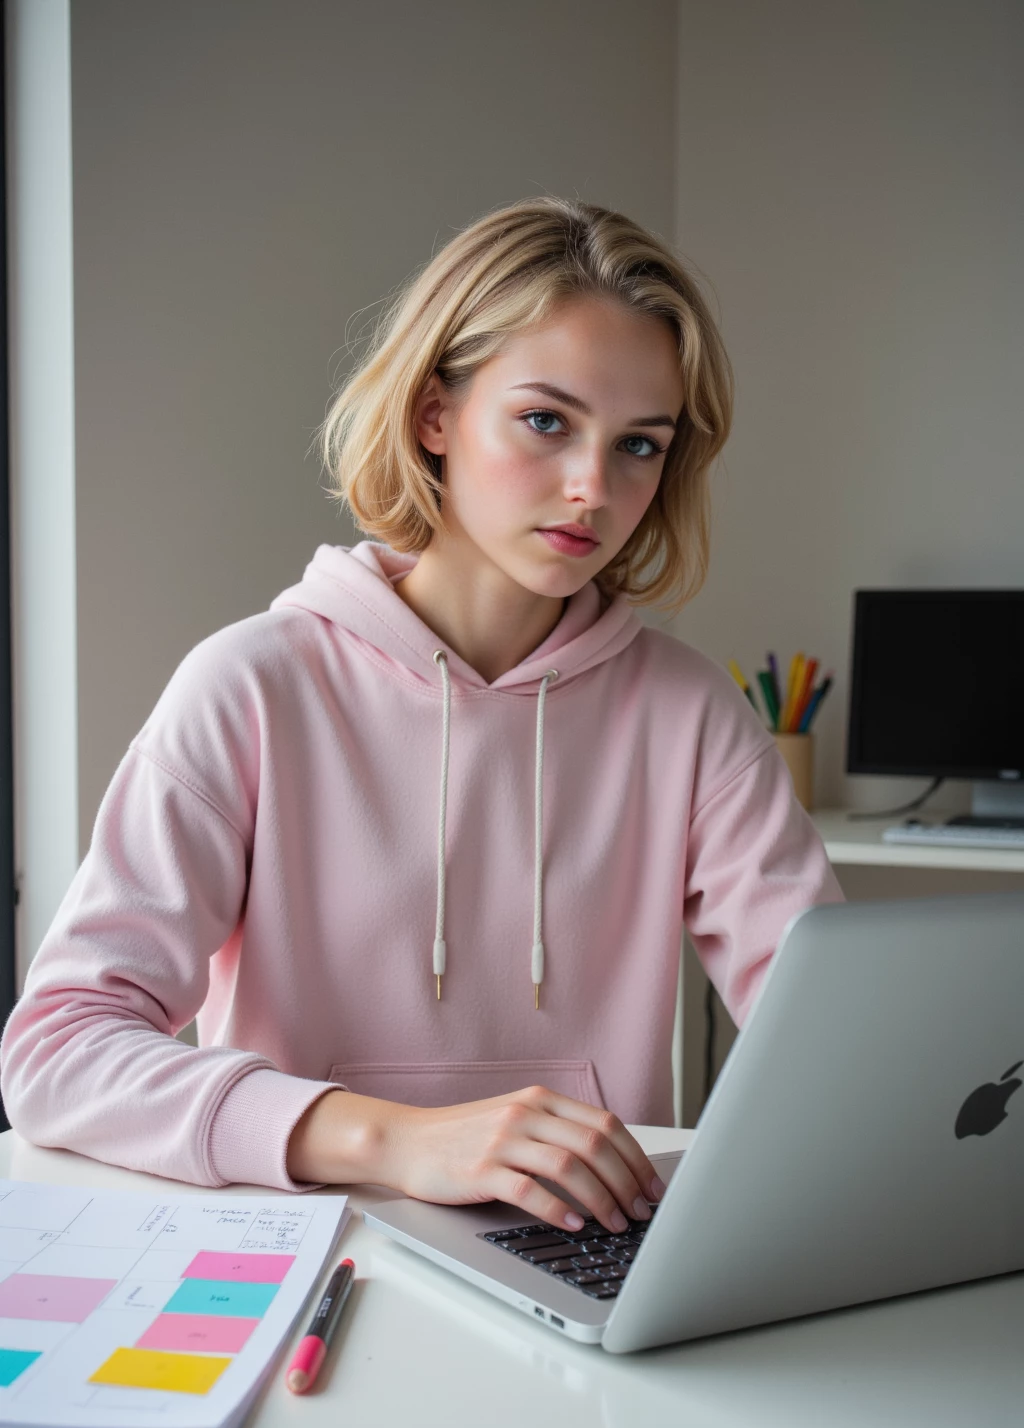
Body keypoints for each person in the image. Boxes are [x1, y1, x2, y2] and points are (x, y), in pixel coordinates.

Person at [0, 197, 843, 1236]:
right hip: (309, 1249)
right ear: (434, 416)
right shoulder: (249, 686)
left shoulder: (688, 713)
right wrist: (396, 1137)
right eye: (545, 421)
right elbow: (57, 1047)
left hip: (580, 1254)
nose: (592, 487)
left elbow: (831, 1046)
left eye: (639, 445)